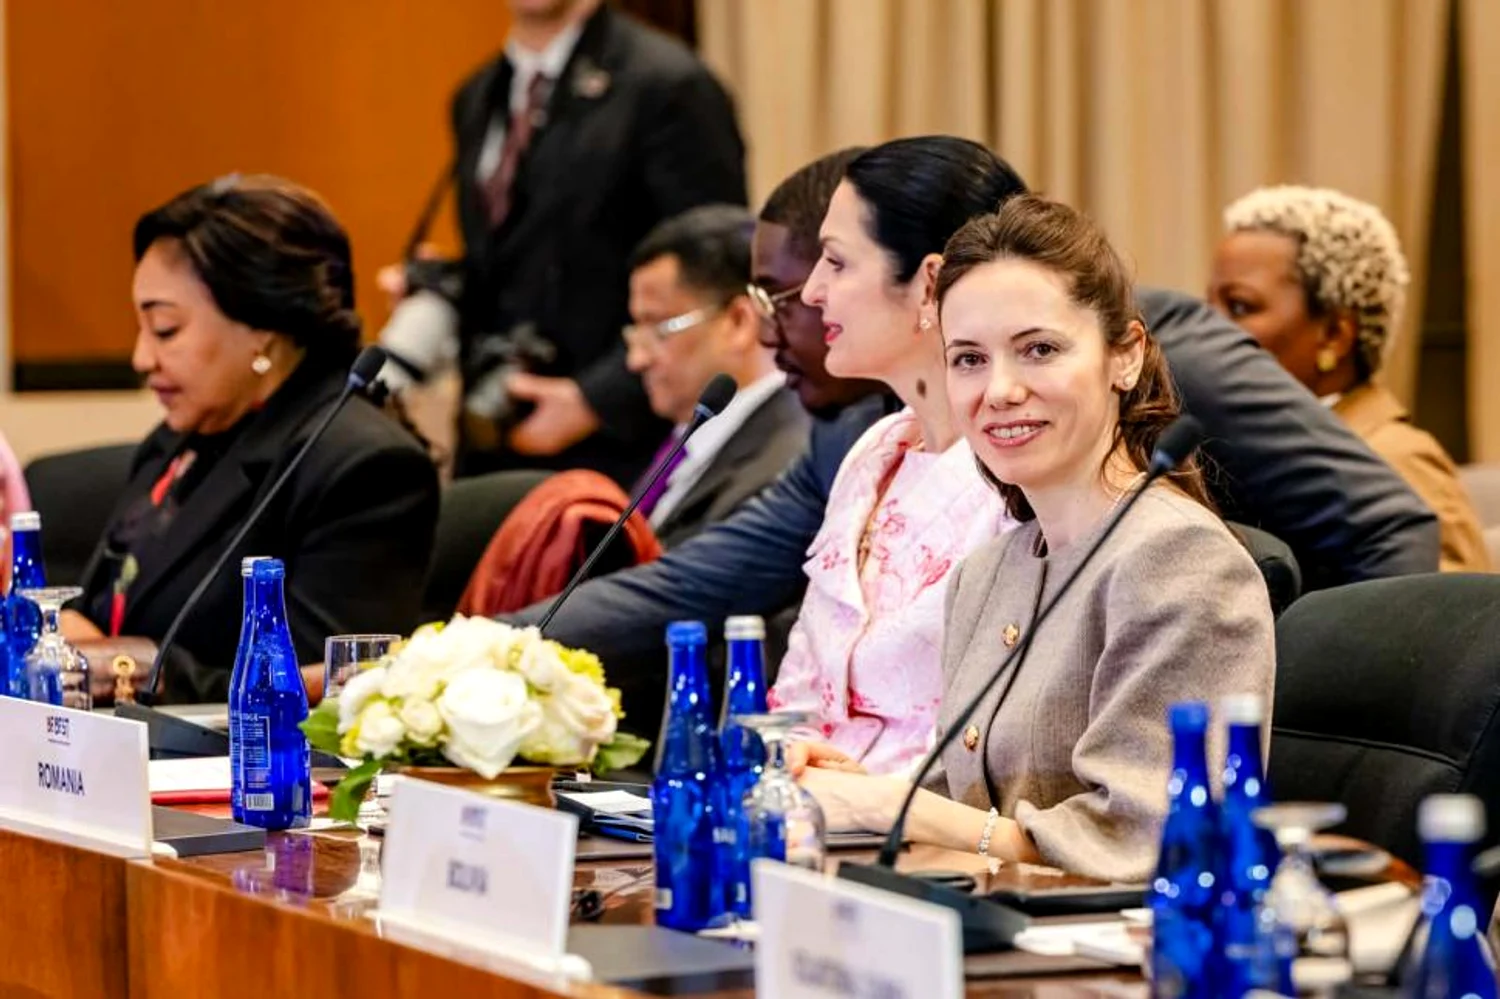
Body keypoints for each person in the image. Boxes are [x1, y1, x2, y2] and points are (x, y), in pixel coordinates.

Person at [505, 139, 1437, 690]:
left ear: (926, 281)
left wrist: (1309, 732)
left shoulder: (1143, 345)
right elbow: (695, 584)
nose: (805, 304)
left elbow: (1383, 522)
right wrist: (483, 652)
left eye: (821, 274)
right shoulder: (864, 438)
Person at [798, 195, 1275, 882]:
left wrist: (896, 807)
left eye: (1039, 350)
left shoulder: (1180, 559)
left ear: (1126, 356)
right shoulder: (985, 573)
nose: (999, 390)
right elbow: (964, 812)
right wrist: (855, 790)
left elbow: (1146, 841)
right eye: (968, 359)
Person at [63, 176, 440, 704]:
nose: (141, 359)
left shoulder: (364, 466)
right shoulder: (175, 442)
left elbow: (332, 693)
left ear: (262, 326)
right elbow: (94, 619)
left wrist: (131, 668)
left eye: (165, 329)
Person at [380, 0, 746, 485]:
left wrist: (594, 401)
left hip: (619, 449)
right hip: (496, 433)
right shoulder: (477, 94)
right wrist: (443, 287)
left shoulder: (669, 84)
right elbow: (517, 258)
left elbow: (716, 269)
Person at [763, 138, 1023, 775]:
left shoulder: (1018, 474)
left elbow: (1005, 737)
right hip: (810, 809)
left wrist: (859, 798)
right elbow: (799, 693)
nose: (813, 291)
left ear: (930, 282)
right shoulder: (873, 452)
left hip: (925, 824)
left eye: (835, 262)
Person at [1209, 185, 1488, 572]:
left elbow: (1453, 607)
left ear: (1334, 336)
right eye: (1207, 306)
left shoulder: (1398, 460)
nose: (1207, 327)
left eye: (1240, 306)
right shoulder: (1235, 446)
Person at [622, 204, 808, 549]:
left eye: (659, 329)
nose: (637, 360)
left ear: (739, 321)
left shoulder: (787, 463)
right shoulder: (680, 445)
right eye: (636, 331)